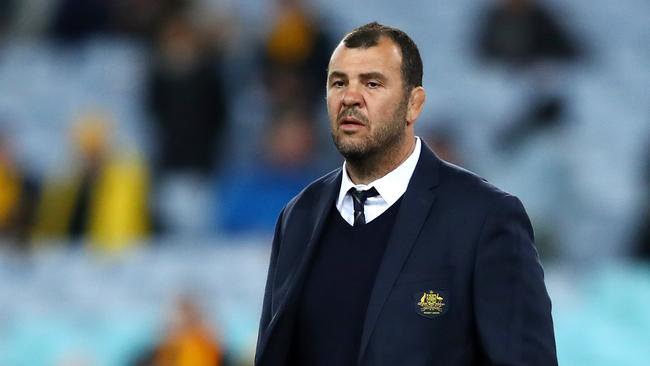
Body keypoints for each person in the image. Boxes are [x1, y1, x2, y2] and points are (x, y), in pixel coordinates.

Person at [255, 22, 557, 366]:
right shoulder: (298, 217)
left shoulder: (485, 218)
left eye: (372, 83)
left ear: (414, 104)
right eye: (338, 82)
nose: (350, 97)